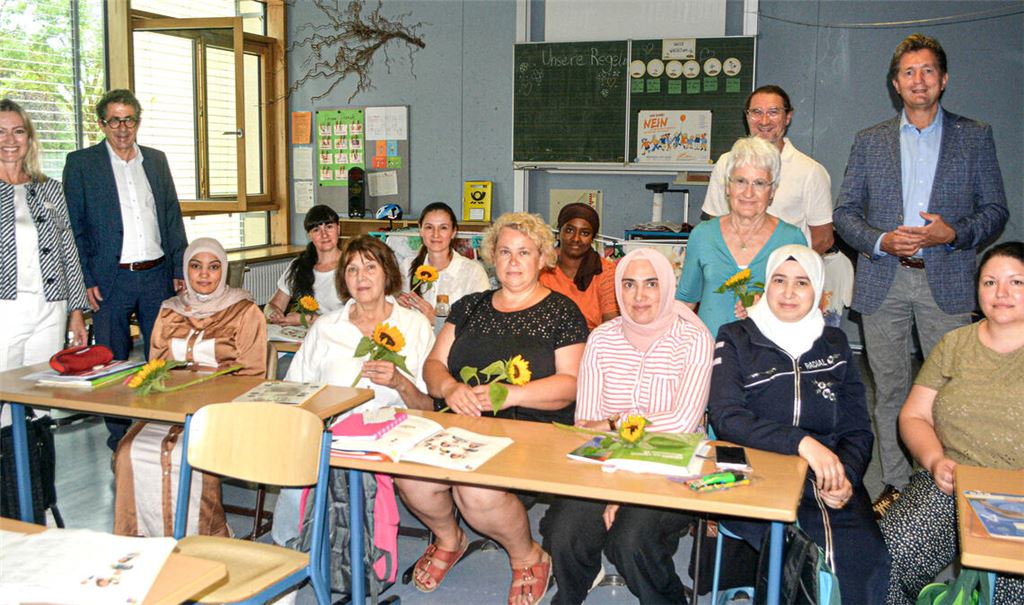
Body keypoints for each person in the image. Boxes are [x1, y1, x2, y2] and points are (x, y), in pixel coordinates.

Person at [833, 34, 1009, 514]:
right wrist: (880, 240)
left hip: (946, 281)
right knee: (889, 390)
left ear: (943, 79)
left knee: (953, 395)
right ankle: (893, 484)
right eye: (909, 72)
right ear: (896, 84)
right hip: (884, 278)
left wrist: (951, 234)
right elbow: (845, 213)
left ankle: (949, 487)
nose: (918, 80)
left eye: (928, 70)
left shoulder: (975, 136)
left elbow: (995, 211)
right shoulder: (869, 141)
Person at [395, 212, 587, 605]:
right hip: (461, 422)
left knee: (475, 489)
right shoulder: (470, 306)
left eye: (524, 252)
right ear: (492, 258)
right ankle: (450, 538)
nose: (513, 262)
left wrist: (510, 394)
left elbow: (571, 385)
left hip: (533, 428)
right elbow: (433, 367)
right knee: (411, 478)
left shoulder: (562, 312)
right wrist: (450, 388)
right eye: (504, 252)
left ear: (542, 259)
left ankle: (527, 555)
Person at [708, 244, 890, 604]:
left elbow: (857, 427)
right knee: (803, 556)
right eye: (779, 280)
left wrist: (846, 477)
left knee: (865, 555)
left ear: (818, 291)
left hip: (828, 472)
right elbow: (727, 417)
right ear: (766, 285)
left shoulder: (834, 342)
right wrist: (803, 443)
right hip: (755, 469)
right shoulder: (736, 336)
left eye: (802, 283)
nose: (789, 293)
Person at [543, 248, 714, 605]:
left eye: (651, 284)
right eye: (629, 284)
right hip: (604, 463)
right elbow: (584, 425)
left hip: (672, 465)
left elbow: (682, 423)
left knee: (630, 541)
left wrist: (614, 422)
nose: (639, 296)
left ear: (667, 286)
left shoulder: (694, 340)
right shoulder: (602, 339)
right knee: (565, 531)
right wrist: (612, 487)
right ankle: (571, 594)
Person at [881, 242, 1024, 604]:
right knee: (885, 561)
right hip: (950, 482)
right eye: (990, 282)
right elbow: (914, 415)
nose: (1001, 293)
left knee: (1009, 589)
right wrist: (934, 461)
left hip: (1017, 496)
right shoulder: (955, 343)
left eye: (1016, 283)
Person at [273, 235, 436, 548]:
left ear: (387, 273)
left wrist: (400, 382)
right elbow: (296, 392)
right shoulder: (325, 327)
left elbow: (430, 405)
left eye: (370, 267)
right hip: (334, 431)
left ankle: (356, 550)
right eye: (351, 270)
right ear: (342, 280)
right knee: (299, 465)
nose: (361, 277)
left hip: (395, 431)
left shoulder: (414, 325)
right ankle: (291, 549)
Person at [113, 237, 267, 537]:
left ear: (224, 271)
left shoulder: (244, 311)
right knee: (129, 450)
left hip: (221, 411)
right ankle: (139, 540)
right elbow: (155, 368)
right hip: (170, 408)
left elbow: (254, 376)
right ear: (186, 271)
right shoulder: (169, 311)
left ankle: (205, 539)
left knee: (187, 451)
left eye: (213, 267)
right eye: (196, 267)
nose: (204, 274)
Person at [63, 89, 189, 450]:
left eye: (129, 119)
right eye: (114, 120)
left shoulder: (156, 160)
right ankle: (119, 441)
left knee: (161, 357)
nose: (122, 127)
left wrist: (178, 265)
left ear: (138, 121)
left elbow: (171, 216)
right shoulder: (82, 164)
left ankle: (160, 430)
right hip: (109, 279)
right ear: (102, 124)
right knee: (111, 362)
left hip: (156, 275)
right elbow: (75, 227)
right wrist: (85, 279)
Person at [0, 99, 89, 422]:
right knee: (5, 399)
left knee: (39, 401)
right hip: (5, 310)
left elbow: (68, 252)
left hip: (51, 308)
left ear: (29, 138)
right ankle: (10, 472)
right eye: (1, 131)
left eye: (18, 131)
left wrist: (75, 312)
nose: (10, 140)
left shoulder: (50, 189)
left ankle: (36, 472)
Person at [676, 135, 806, 337]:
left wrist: (768, 308)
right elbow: (684, 304)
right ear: (727, 187)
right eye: (740, 181)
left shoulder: (792, 240)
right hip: (709, 357)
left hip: (769, 360)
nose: (748, 193)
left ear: (772, 191)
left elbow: (806, 309)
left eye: (760, 183)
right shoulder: (702, 235)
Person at [701, 85, 834, 254]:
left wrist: (782, 270)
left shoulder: (811, 172)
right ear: (747, 117)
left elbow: (823, 239)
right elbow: (716, 224)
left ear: (787, 117)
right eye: (756, 112)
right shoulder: (726, 163)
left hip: (784, 275)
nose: (764, 121)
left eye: (773, 112)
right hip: (734, 275)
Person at [396, 202, 490, 331]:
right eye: (429, 227)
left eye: (443, 228)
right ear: (421, 230)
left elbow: (481, 325)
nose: (436, 234)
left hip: (455, 349)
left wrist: (436, 319)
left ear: (453, 232)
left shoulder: (473, 272)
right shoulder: (407, 266)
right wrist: (398, 305)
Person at [540, 202, 618, 330]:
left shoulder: (606, 271)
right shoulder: (541, 266)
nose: (576, 239)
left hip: (592, 345)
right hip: (545, 344)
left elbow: (611, 328)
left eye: (585, 233)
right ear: (559, 232)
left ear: (593, 238)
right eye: (569, 230)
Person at [265, 204, 344, 325]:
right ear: (309, 235)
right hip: (301, 337)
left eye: (329, 227)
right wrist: (273, 313)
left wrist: (304, 319)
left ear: (338, 229)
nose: (324, 235)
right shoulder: (299, 266)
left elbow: (356, 319)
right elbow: (273, 305)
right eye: (316, 230)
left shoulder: (352, 266)